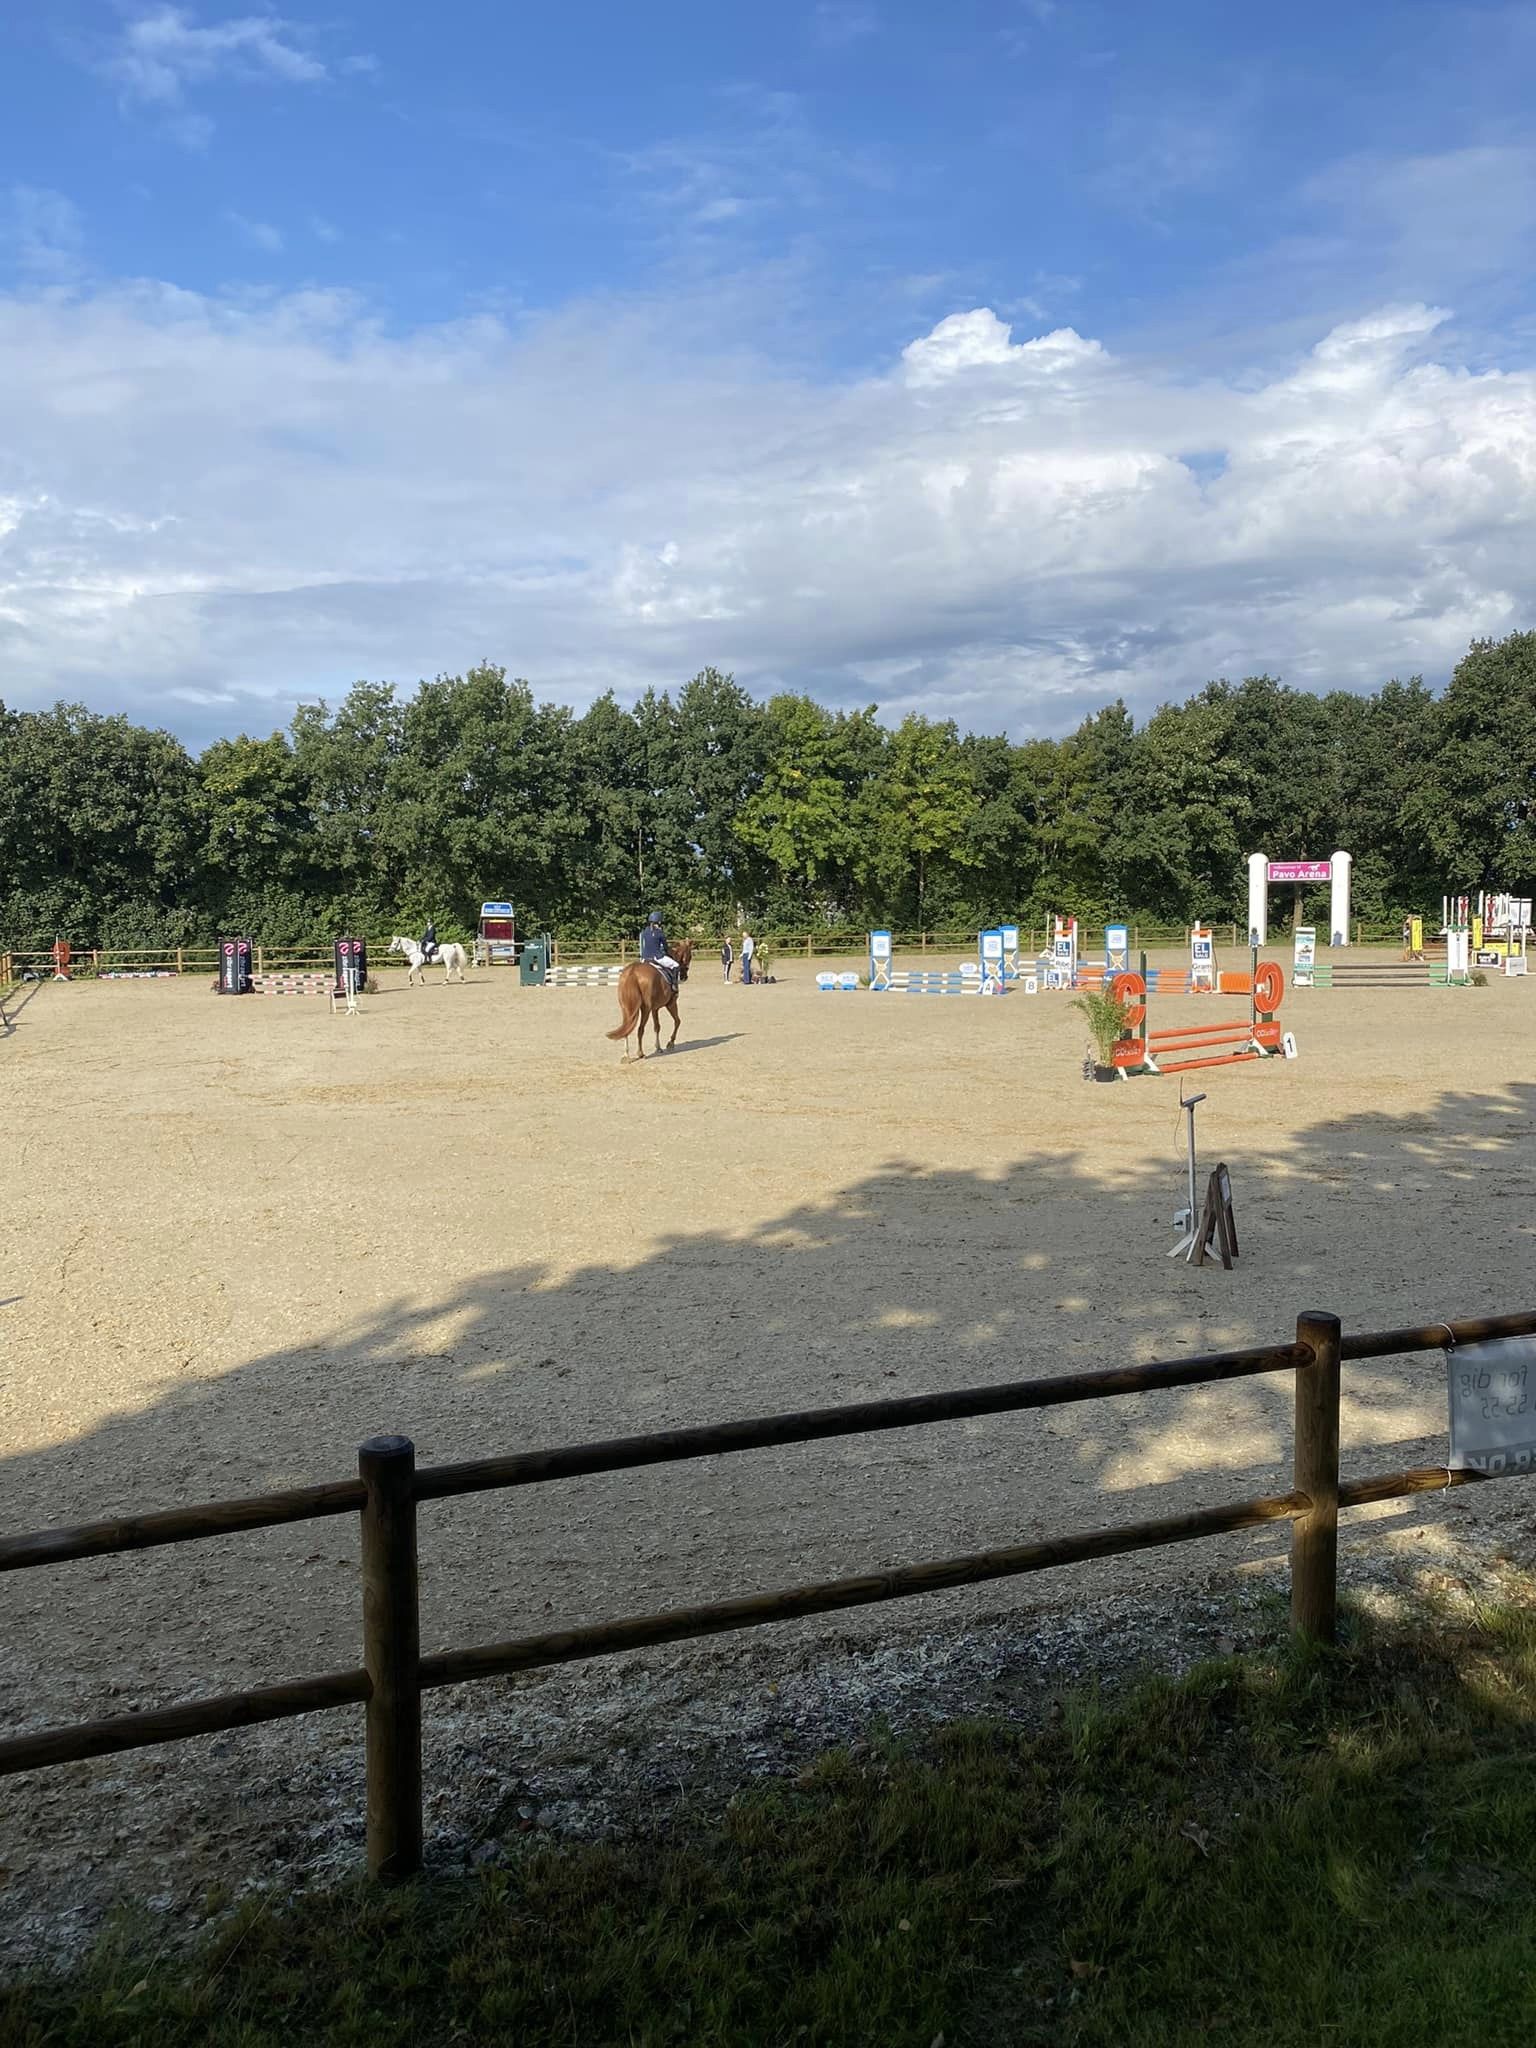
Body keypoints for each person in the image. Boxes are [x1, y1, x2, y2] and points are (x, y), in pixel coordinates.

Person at [639, 910, 681, 987]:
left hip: (644, 958)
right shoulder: (659, 932)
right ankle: (674, 985)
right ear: (659, 922)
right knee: (676, 965)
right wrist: (668, 953)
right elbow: (665, 947)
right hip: (657, 957)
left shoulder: (644, 932)